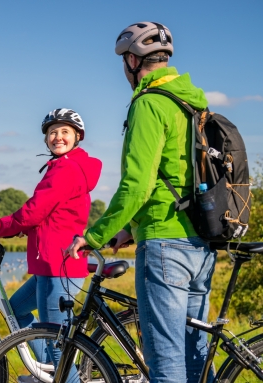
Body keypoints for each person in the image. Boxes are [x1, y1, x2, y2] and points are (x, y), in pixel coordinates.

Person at [66, 22, 216, 383]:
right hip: (200, 242)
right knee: (196, 362)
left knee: (166, 364)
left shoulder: (150, 103)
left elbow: (138, 185)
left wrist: (97, 234)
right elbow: (180, 177)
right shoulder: (191, 101)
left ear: (132, 60)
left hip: (165, 245)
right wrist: (127, 232)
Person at [0, 108, 102, 383]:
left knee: (58, 342)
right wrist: (31, 228)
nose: (58, 136)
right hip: (50, 264)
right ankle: (47, 375)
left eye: (65, 131)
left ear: (78, 136)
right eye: (52, 132)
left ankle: (63, 378)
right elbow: (52, 214)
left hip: (60, 265)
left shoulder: (66, 168)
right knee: (18, 308)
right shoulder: (63, 166)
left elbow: (32, 211)